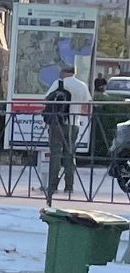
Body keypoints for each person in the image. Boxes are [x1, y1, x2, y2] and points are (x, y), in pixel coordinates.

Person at [44, 63, 90, 200]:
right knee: (70, 154)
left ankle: (52, 185)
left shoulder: (59, 83)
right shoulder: (82, 85)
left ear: (65, 72)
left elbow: (47, 99)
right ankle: (69, 185)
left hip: (58, 123)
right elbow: (86, 105)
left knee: (56, 154)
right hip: (73, 124)